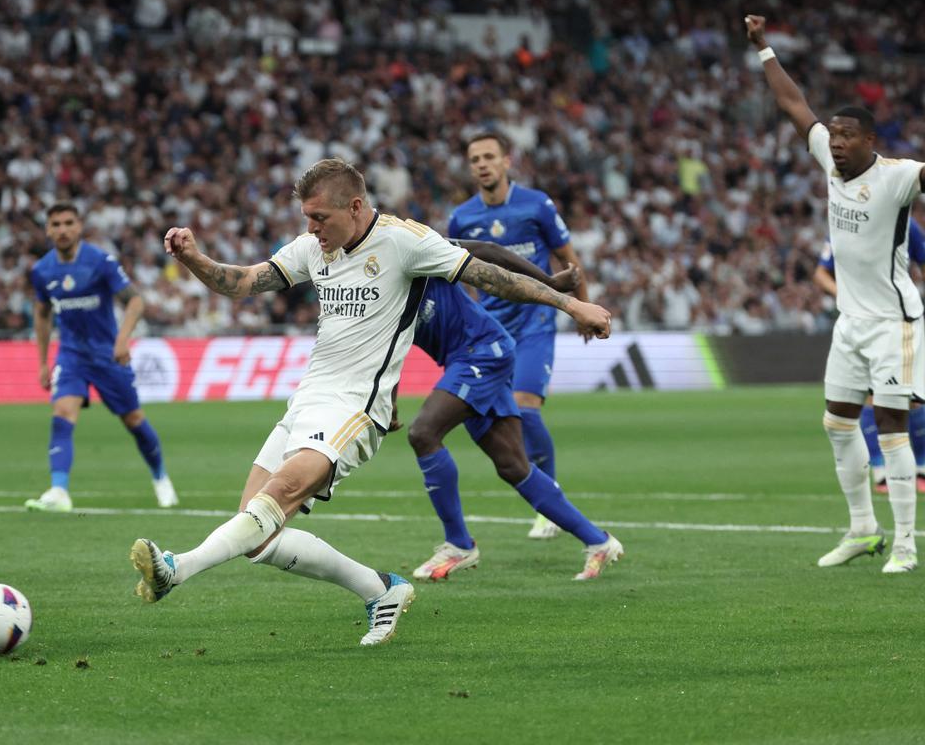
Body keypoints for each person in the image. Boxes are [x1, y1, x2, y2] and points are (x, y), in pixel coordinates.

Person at [130, 158, 612, 647]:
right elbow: (243, 282)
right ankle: (380, 589)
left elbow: (489, 273)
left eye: (320, 218)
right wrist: (194, 258)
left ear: (355, 207)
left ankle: (177, 568)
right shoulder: (313, 248)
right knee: (257, 536)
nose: (311, 228)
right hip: (307, 402)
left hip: (356, 408)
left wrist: (571, 304)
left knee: (275, 498)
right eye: (307, 218)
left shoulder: (404, 241)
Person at [748, 14, 923, 573]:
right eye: (836, 136)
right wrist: (763, 49)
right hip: (850, 323)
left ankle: (904, 545)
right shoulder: (828, 159)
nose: (838, 144)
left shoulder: (898, 177)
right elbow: (795, 105)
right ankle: (862, 530)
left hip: (893, 323)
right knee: (837, 423)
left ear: (871, 142)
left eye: (849, 137)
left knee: (891, 428)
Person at [400, 238, 622, 582]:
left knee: (423, 433)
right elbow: (385, 348)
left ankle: (458, 543)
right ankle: (599, 541)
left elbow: (486, 251)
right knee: (513, 466)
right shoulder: (368, 286)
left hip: (482, 350)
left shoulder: (405, 244)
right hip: (465, 359)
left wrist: (549, 282)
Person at [448, 132, 595, 541]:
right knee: (502, 422)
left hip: (535, 323)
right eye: (475, 157)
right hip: (493, 330)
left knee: (526, 411)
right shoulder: (461, 218)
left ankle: (551, 505)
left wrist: (583, 307)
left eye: (489, 156)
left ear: (506, 161)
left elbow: (569, 259)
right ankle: (547, 501)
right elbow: (461, 275)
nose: (482, 164)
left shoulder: (537, 204)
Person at [25, 202, 177, 512]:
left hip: (108, 356)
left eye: (69, 222)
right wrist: (43, 361)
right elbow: (41, 314)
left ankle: (161, 478)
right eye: (56, 224)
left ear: (79, 226)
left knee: (134, 420)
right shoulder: (41, 271)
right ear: (47, 230)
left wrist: (122, 340)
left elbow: (135, 301)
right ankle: (59, 490)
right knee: (62, 414)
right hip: (71, 357)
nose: (63, 229)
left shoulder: (101, 262)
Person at [814, 231, 925, 496]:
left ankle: (920, 468)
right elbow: (821, 273)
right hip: (859, 322)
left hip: (896, 318)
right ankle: (880, 472)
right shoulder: (844, 221)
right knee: (868, 398)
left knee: (913, 397)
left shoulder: (905, 221)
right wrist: (847, 296)